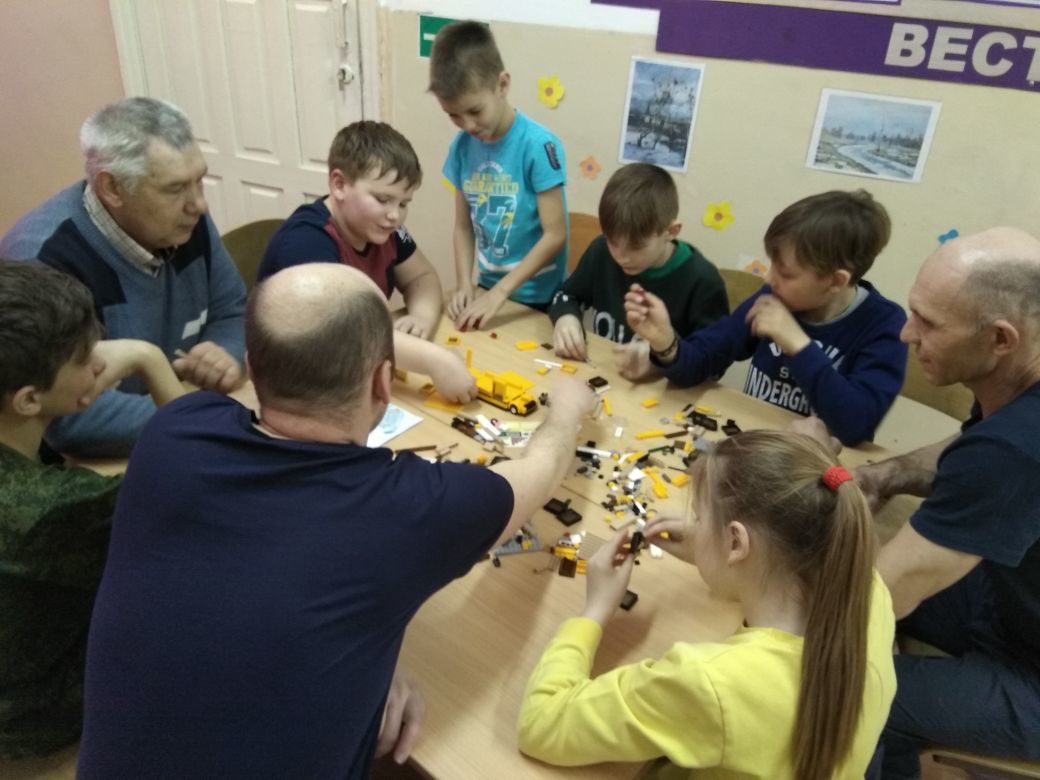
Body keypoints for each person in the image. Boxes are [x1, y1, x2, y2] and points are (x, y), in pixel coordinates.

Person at [77, 263, 598, 779]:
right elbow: (541, 469)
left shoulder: (170, 434)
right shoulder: (409, 511)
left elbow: (251, 593)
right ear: (383, 383)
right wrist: (568, 409)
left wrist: (369, 658)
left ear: (253, 368)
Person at [518, 430, 896, 779]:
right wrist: (712, 550)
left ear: (737, 543)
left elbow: (541, 724)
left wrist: (595, 610)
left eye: (700, 518)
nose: (696, 527)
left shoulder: (709, 683)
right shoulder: (865, 587)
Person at [851, 227, 1040, 778]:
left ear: (1000, 339)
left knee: (845, 689)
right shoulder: (1018, 385)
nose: (906, 333)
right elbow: (971, 447)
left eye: (928, 323)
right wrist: (884, 476)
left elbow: (879, 599)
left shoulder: (1015, 447)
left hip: (1030, 672)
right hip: (1007, 601)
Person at [0, 259, 184, 761]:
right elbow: (203, 482)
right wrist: (150, 359)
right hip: (32, 716)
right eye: (84, 357)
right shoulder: (58, 508)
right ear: (29, 399)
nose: (101, 362)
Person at [0, 97, 246, 456]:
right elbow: (69, 419)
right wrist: (193, 411)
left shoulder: (184, 222)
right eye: (175, 188)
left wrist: (224, 353)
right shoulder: (44, 260)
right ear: (111, 188)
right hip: (81, 466)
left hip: (178, 422)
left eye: (199, 181)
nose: (199, 204)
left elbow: (232, 309)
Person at [624, 189, 906, 446]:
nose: (769, 278)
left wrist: (798, 345)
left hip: (816, 466)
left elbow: (855, 426)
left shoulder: (884, 325)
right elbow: (703, 361)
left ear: (835, 281)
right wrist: (666, 342)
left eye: (785, 273)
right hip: (755, 448)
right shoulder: (775, 297)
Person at [257, 120, 475, 402]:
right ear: (339, 185)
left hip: (355, 371)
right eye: (383, 199)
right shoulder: (306, 242)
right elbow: (344, 334)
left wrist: (421, 317)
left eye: (403, 203)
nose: (395, 216)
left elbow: (422, 277)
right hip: (299, 388)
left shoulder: (384, 229)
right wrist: (435, 360)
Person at [430, 20, 568, 331]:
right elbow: (463, 227)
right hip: (488, 288)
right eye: (453, 115)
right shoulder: (462, 148)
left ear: (502, 85)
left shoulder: (538, 146)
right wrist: (464, 284)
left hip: (538, 297)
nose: (467, 125)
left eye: (475, 111)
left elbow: (555, 235)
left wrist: (500, 293)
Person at [549, 162, 728, 380]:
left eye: (636, 247)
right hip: (608, 378)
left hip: (666, 393)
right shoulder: (600, 251)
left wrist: (663, 356)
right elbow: (567, 295)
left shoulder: (702, 280)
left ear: (671, 231)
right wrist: (566, 317)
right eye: (612, 241)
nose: (621, 257)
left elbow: (715, 364)